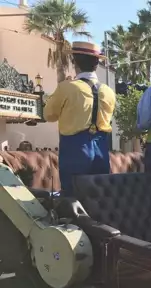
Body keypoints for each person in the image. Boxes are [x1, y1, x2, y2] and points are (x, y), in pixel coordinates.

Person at [44, 41, 115, 196]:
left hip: (74, 150)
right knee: (99, 197)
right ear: (96, 64)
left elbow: (48, 115)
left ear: (74, 61)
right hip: (101, 148)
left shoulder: (66, 87)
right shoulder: (109, 92)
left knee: (72, 196)